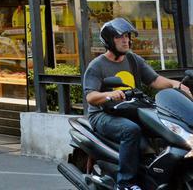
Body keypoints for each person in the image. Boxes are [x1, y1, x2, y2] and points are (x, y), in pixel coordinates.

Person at [82, 17, 193, 190]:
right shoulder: (97, 66)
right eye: (120, 37)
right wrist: (110, 94)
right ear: (109, 40)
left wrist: (175, 84)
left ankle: (157, 175)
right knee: (130, 130)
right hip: (103, 115)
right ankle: (125, 183)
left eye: (127, 36)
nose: (126, 40)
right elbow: (91, 97)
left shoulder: (133, 59)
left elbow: (155, 80)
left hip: (131, 110)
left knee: (164, 127)